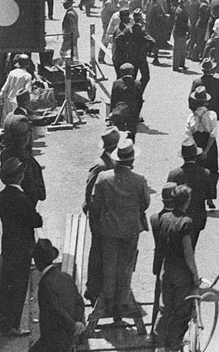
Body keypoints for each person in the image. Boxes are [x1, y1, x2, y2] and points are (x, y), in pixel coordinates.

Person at [90, 138, 150, 325]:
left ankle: (107, 300)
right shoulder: (139, 180)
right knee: (126, 266)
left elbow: (95, 204)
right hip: (131, 230)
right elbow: (145, 203)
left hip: (108, 229)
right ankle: (121, 302)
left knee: (109, 265)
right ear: (131, 161)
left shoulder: (104, 178)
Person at [0, 158, 42, 336]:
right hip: (22, 247)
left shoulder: (2, 196)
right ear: (20, 176)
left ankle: (4, 322)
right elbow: (36, 220)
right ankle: (13, 326)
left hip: (8, 244)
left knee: (7, 284)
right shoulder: (22, 198)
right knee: (18, 287)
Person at [151, 184, 199, 352]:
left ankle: (159, 345)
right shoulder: (186, 222)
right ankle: (173, 347)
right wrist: (195, 274)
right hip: (181, 274)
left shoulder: (164, 218)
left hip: (167, 270)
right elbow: (188, 253)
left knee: (165, 309)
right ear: (186, 202)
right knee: (180, 313)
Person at [83, 126, 121, 304]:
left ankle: (98, 289)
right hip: (100, 217)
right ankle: (93, 290)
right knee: (98, 252)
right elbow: (89, 192)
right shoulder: (101, 166)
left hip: (105, 215)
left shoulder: (108, 163)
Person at [32, 238, 86, 352]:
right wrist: (78, 322)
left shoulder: (45, 284)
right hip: (68, 337)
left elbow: (57, 309)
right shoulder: (66, 277)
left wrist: (73, 325)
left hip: (52, 341)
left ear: (38, 263)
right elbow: (79, 302)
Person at [167, 138, 212, 248]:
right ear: (196, 156)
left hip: (177, 217)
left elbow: (168, 196)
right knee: (191, 247)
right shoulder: (205, 173)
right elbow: (209, 195)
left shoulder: (174, 174)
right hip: (197, 217)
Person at [186, 87, 219, 210]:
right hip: (209, 145)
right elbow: (213, 134)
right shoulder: (212, 115)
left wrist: (196, 149)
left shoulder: (190, 117)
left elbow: (188, 134)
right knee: (212, 171)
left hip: (195, 144)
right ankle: (210, 197)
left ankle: (197, 196)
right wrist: (206, 151)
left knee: (197, 170)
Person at [108, 63, 141, 138]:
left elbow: (113, 99)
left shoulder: (116, 83)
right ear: (133, 72)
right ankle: (129, 147)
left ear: (121, 72)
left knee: (119, 134)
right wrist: (137, 114)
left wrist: (111, 112)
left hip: (118, 111)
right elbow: (139, 101)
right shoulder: (137, 84)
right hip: (132, 111)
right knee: (131, 133)